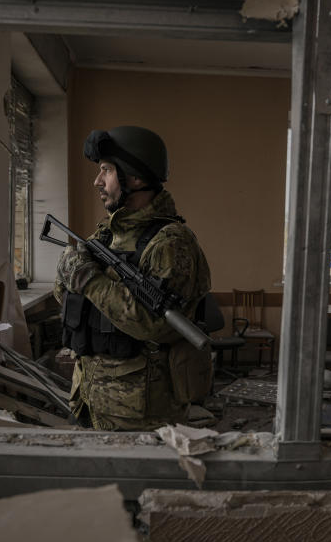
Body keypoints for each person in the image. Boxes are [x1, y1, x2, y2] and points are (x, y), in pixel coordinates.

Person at [54, 126, 212, 431]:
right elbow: (66, 300)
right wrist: (68, 273)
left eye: (107, 170)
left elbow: (154, 325)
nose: (97, 181)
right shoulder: (107, 235)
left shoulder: (170, 243)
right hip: (88, 396)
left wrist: (88, 279)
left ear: (136, 177)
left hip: (140, 411)